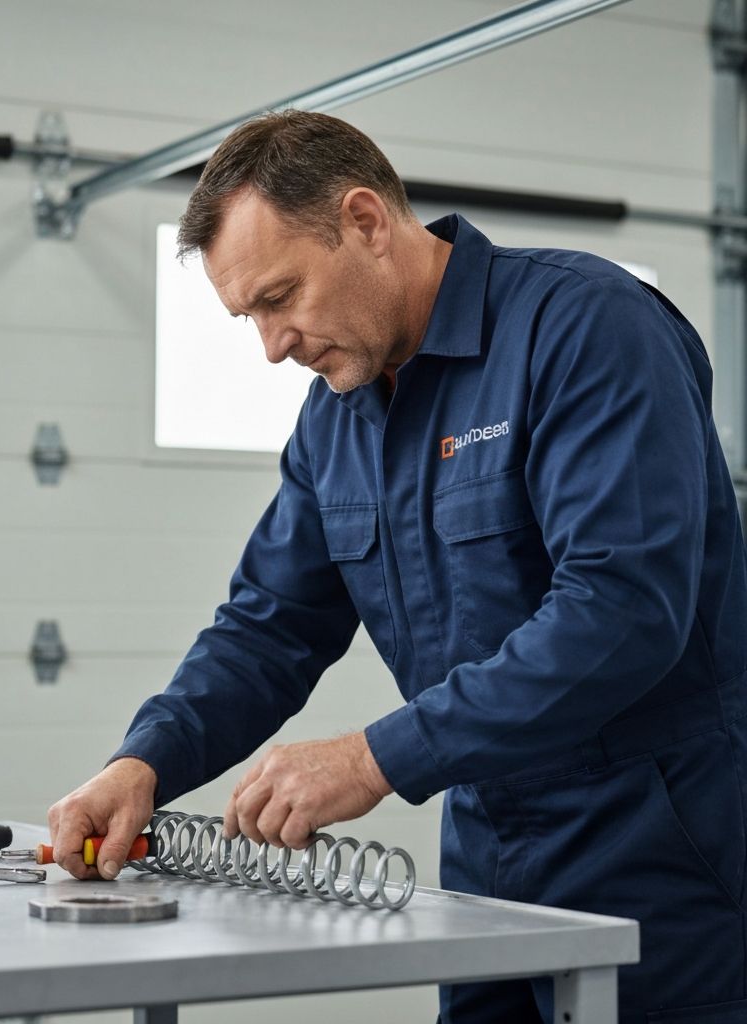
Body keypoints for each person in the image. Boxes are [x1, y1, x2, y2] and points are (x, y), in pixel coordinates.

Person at [48, 110, 747, 1023]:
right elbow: (269, 627)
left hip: (663, 854)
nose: (272, 347)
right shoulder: (336, 415)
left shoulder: (586, 329)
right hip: (488, 856)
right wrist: (144, 762)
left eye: (279, 296)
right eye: (247, 316)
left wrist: (378, 757)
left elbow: (621, 611)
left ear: (367, 222)